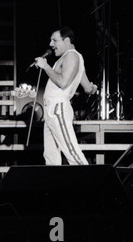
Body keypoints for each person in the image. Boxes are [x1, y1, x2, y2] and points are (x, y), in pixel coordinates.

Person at [34, 26, 98, 165]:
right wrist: (93, 88)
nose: (51, 45)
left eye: (55, 40)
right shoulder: (72, 57)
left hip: (57, 109)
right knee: (51, 157)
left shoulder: (71, 55)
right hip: (51, 110)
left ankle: (92, 184)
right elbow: (87, 88)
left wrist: (45, 66)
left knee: (72, 153)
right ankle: (54, 186)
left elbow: (63, 82)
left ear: (67, 40)